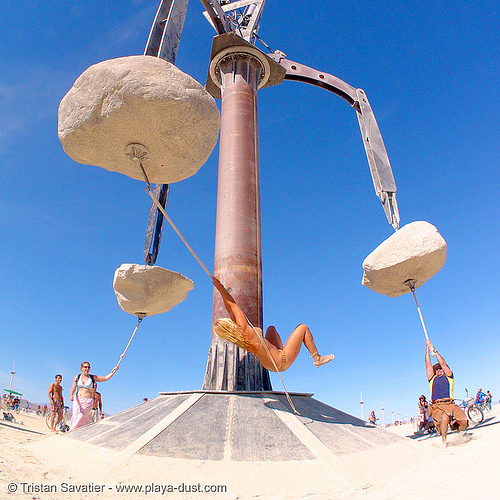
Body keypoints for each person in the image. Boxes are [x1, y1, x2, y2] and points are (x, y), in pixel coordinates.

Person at [212, 277, 334, 372]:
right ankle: (317, 359)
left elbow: (230, 308)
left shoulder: (238, 337)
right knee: (303, 328)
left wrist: (221, 290)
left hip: (271, 364)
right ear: (229, 324)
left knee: (271, 329)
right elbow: (232, 304)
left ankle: (279, 350)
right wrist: (220, 287)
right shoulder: (244, 329)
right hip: (282, 360)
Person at [425, 340, 468, 447]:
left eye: (440, 369)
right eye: (437, 370)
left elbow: (443, 363)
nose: (439, 370)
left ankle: (460, 433)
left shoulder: (449, 377)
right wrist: (427, 349)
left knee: (463, 421)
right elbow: (428, 364)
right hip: (438, 405)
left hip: (450, 404)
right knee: (444, 418)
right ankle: (444, 441)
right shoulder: (432, 379)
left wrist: (435, 352)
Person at [69, 361, 118, 430]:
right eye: (85, 367)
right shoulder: (77, 377)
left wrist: (114, 370)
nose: (87, 369)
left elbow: (106, 378)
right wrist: (71, 395)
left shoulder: (92, 378)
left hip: (87, 401)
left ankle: (77, 430)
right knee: (75, 415)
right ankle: (72, 430)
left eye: (88, 367)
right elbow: (73, 387)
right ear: (81, 368)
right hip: (77, 399)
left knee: (82, 417)